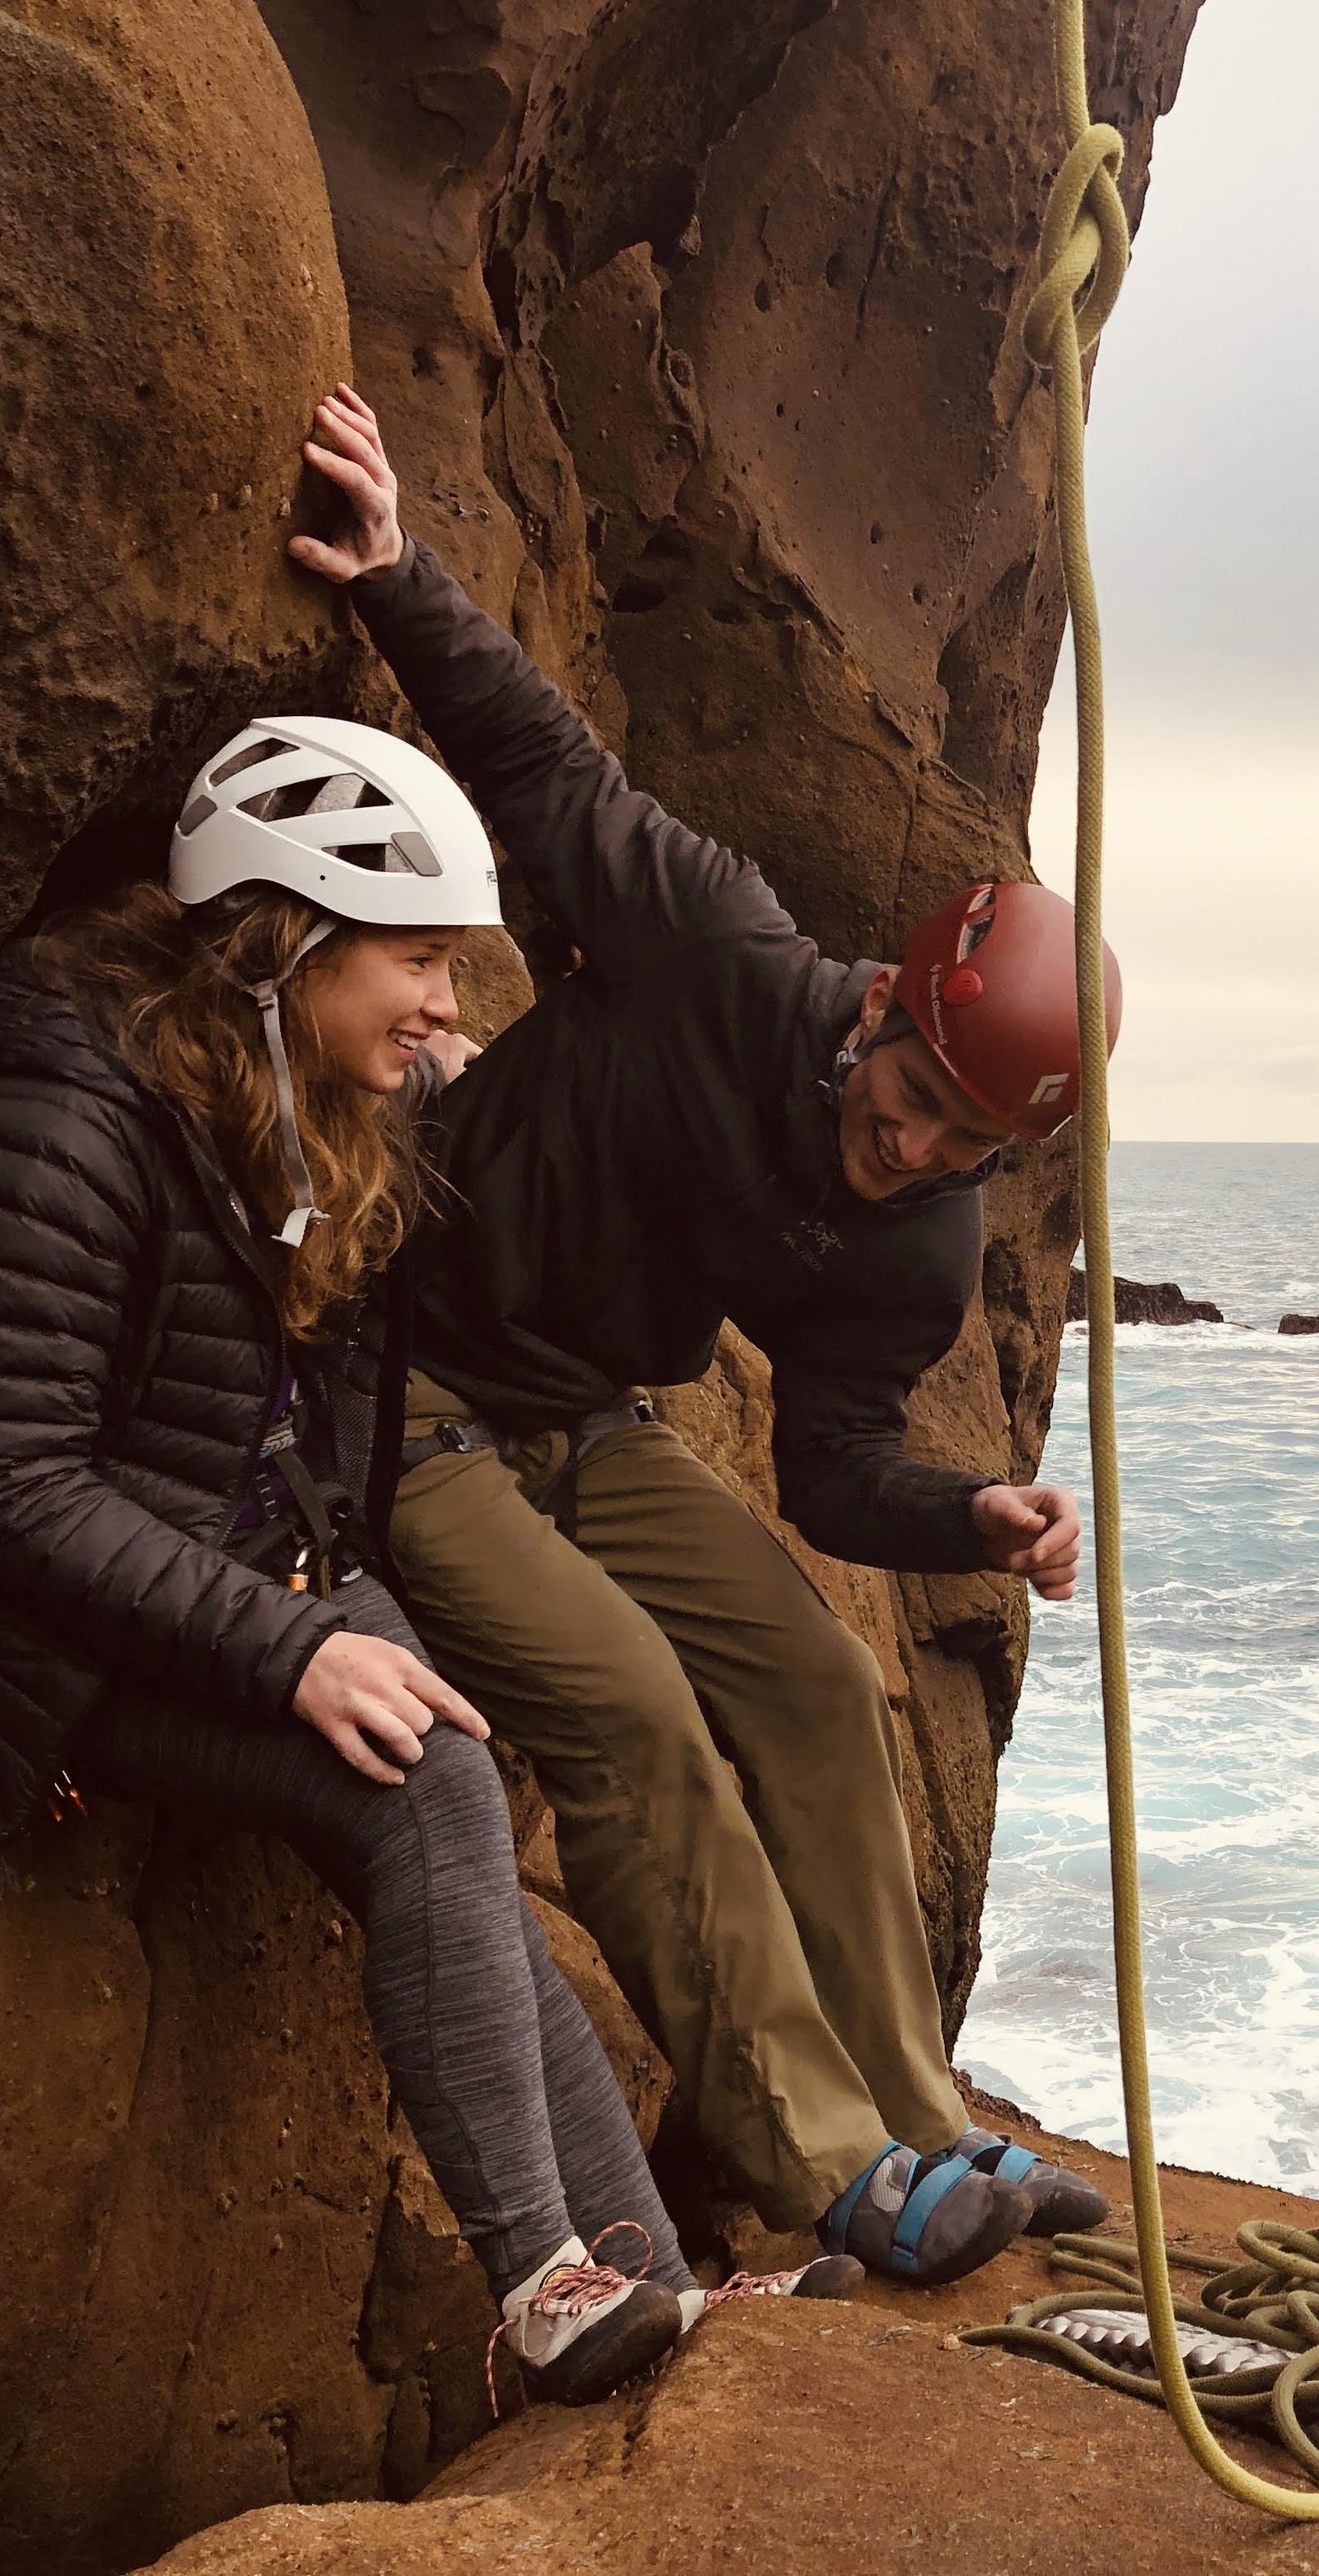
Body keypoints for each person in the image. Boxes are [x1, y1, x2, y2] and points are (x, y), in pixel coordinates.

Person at [282, 383, 1114, 2288]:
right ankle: (834, 2167)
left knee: (819, 1681)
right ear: (885, 998)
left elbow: (828, 1462)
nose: (898, 1143)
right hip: (409, 1392)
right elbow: (548, 771)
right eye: (902, 1089)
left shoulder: (922, 1236)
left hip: (582, 1418)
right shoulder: (718, 951)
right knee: (638, 1717)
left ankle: (923, 2111)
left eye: (953, 1140)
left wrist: (965, 1512)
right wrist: (400, 574)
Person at [0, 715, 853, 2407]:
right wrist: (290, 1649)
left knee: (460, 1806)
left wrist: (332, 1603)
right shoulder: (60, 1121)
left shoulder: (279, 1103)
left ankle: (645, 2279)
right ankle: (545, 2289)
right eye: (418, 963)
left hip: (248, 1580)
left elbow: (312, 1388)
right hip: (91, 1648)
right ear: (286, 943)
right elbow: (8, 1482)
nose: (446, 1005)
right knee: (430, 1789)